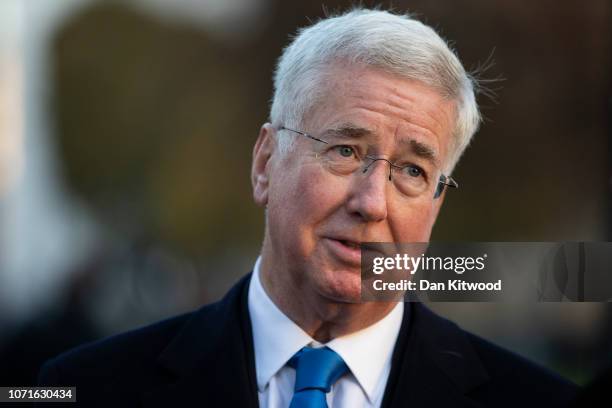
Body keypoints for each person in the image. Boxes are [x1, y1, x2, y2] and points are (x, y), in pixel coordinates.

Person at [39, 8, 577, 407]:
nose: (372, 202)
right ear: (265, 163)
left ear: (435, 207)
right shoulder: (85, 388)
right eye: (345, 151)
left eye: (412, 171)